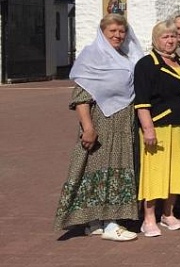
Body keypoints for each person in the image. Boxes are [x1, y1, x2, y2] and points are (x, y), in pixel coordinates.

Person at [54, 14, 143, 242]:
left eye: (121, 31)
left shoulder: (126, 56)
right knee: (98, 169)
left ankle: (96, 222)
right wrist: (88, 128)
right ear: (102, 32)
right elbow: (81, 96)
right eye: (112, 31)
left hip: (123, 123)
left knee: (117, 168)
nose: (118, 35)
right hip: (101, 122)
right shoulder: (91, 55)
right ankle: (111, 223)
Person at [134, 20, 180, 237]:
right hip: (158, 126)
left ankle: (168, 213)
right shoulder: (146, 64)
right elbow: (142, 101)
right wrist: (148, 129)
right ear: (156, 39)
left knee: (175, 172)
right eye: (165, 37)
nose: (170, 40)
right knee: (155, 172)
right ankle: (149, 217)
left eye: (173, 36)